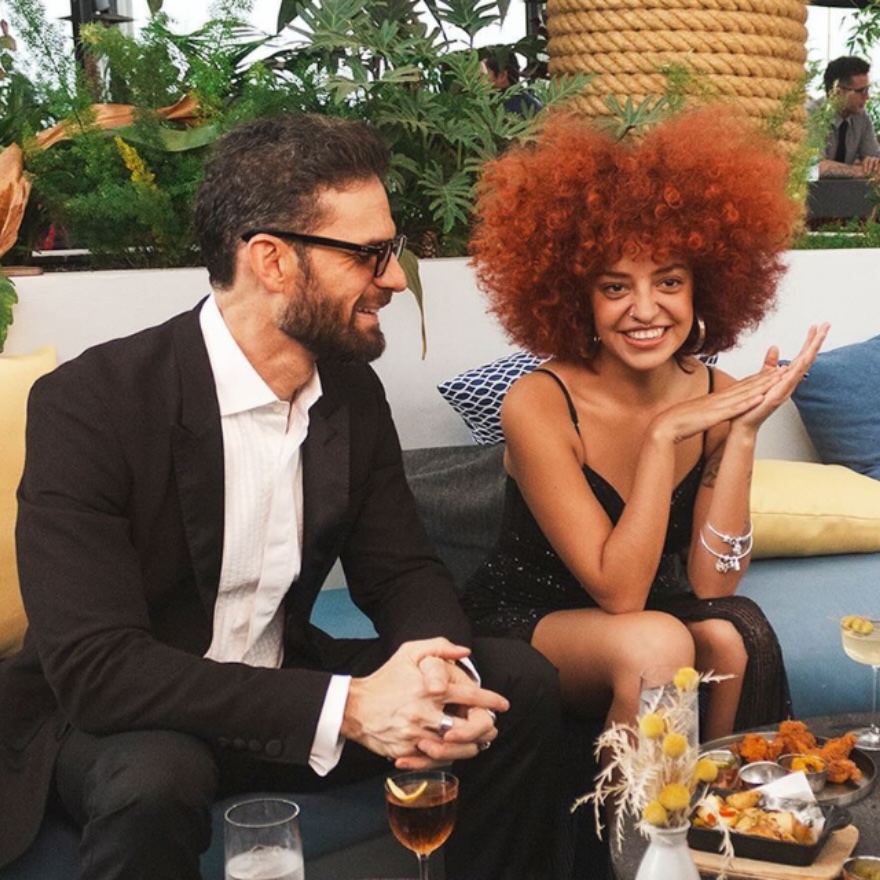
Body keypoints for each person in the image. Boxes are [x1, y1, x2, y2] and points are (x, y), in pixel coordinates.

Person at [0, 113, 561, 880]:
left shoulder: (349, 395)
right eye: (371, 255)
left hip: (282, 688)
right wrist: (351, 708)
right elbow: (100, 669)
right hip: (131, 718)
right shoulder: (92, 403)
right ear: (270, 260)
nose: (394, 278)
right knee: (154, 781)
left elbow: (401, 573)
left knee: (515, 685)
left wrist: (436, 672)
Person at [461, 106, 829, 745]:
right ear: (577, 295)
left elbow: (714, 585)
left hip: (650, 608)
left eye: (669, 281)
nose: (645, 309)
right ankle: (640, 844)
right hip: (532, 617)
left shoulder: (718, 397)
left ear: (703, 289)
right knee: (658, 639)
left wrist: (742, 432)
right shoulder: (538, 400)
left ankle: (712, 818)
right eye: (614, 287)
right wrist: (664, 437)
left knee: (729, 635)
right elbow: (619, 594)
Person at [818, 55, 880, 179]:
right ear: (837, 92)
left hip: (847, 194)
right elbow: (814, 168)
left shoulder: (861, 117)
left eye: (868, 90)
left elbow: (874, 161)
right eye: (861, 91)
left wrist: (872, 164)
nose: (867, 97)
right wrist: (859, 171)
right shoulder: (812, 116)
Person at [480, 50, 543, 116]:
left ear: (502, 75)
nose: (476, 82)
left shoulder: (499, 108)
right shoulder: (531, 104)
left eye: (481, 75)